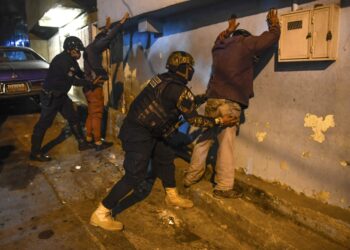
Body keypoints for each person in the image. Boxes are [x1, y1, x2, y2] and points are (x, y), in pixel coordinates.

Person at [90, 51, 237, 231]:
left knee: (165, 158)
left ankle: (172, 195)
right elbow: (194, 119)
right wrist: (219, 121)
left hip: (147, 130)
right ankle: (101, 212)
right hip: (139, 134)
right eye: (190, 68)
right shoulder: (180, 90)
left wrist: (204, 97)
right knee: (134, 175)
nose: (192, 71)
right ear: (184, 69)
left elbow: (180, 104)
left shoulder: (162, 79)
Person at [183, 9, 281, 198]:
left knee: (204, 141)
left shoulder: (219, 48)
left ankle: (190, 177)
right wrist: (274, 25)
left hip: (212, 100)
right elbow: (270, 38)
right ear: (243, 37)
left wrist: (227, 31)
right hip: (229, 103)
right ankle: (224, 187)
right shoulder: (245, 42)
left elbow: (218, 39)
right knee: (226, 144)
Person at [30, 36, 94, 161]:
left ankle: (82, 143)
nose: (79, 53)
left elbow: (78, 73)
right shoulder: (62, 61)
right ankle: (35, 153)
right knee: (44, 124)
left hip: (61, 96)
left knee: (73, 118)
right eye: (77, 50)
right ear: (70, 49)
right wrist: (87, 83)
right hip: (51, 96)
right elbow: (72, 80)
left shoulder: (71, 60)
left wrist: (88, 76)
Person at [83, 12, 129, 151]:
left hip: (87, 87)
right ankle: (97, 142)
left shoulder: (90, 47)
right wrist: (121, 22)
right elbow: (107, 38)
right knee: (97, 114)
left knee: (91, 113)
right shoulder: (96, 47)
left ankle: (89, 138)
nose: (106, 48)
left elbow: (101, 37)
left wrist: (106, 28)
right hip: (95, 86)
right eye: (106, 46)